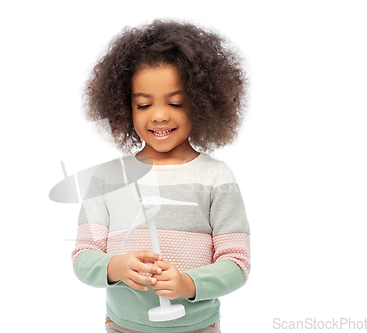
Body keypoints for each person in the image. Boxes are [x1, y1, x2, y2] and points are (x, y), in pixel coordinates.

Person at [72, 20, 250, 333]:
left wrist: (188, 283)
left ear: (202, 102)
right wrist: (116, 267)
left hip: (198, 327)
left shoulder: (216, 177)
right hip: (123, 326)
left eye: (176, 102)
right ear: (126, 106)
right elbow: (83, 258)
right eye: (144, 104)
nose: (159, 115)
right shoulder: (109, 177)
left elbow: (237, 263)